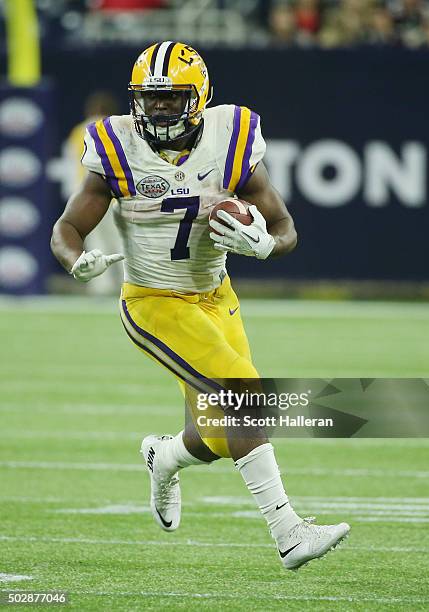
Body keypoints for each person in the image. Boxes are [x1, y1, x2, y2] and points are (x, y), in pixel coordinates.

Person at [50, 41, 349, 570]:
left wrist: (265, 245)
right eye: (150, 99)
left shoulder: (229, 137)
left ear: (201, 96)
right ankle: (288, 532)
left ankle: (162, 456)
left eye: (172, 99)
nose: (159, 110)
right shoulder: (115, 146)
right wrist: (76, 260)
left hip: (216, 296)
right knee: (245, 393)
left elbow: (285, 228)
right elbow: (67, 228)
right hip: (153, 302)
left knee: (216, 429)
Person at [64, 91, 123, 294]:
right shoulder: (115, 129)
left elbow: (71, 164)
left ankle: (101, 286)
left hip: (86, 197)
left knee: (96, 242)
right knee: (121, 240)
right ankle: (128, 283)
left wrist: (71, 195)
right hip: (114, 195)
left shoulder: (79, 131)